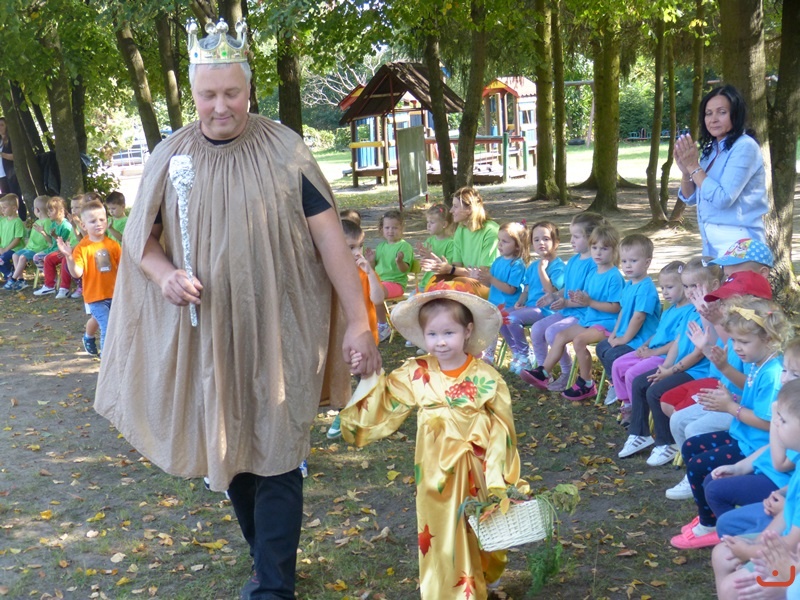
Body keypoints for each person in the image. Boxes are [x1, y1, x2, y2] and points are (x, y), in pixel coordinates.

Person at [93, 19, 380, 600]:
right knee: (233, 450)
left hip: (280, 326)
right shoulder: (170, 156)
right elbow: (140, 241)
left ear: (250, 90)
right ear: (193, 93)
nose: (220, 106)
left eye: (232, 93)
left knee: (278, 446)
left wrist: (357, 321)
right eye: (208, 95)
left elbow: (329, 239)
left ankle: (273, 585)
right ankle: (265, 560)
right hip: (209, 335)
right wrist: (166, 275)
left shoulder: (285, 151)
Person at [341, 288, 528, 600]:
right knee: (441, 531)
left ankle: (485, 571)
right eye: (432, 334)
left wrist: (500, 476)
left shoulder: (487, 377)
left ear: (467, 331)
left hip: (478, 470)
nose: (441, 341)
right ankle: (452, 591)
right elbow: (386, 400)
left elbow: (502, 428)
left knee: (481, 526)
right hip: (434, 474)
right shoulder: (417, 371)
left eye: (449, 333)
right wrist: (367, 375)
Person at [671, 297, 790, 550]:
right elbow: (748, 386)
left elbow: (768, 424)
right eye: (734, 340)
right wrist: (724, 367)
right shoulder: (759, 363)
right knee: (692, 446)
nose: (737, 347)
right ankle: (709, 513)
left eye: (744, 341)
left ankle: (711, 524)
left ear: (769, 339)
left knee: (699, 466)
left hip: (754, 445)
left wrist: (730, 408)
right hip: (743, 436)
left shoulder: (772, 373)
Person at [662, 270, 773, 501]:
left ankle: (703, 478)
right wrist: (705, 347)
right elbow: (728, 367)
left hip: (741, 412)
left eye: (728, 301)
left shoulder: (757, 346)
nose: (722, 306)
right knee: (678, 419)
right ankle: (694, 476)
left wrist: (730, 402)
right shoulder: (739, 337)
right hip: (730, 401)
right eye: (723, 301)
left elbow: (747, 389)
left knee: (693, 429)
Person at [617, 257, 721, 466]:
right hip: (682, 367)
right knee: (641, 382)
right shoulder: (691, 309)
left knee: (655, 391)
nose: (690, 291)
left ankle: (667, 443)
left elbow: (699, 353)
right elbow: (677, 343)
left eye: (695, 286)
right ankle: (640, 433)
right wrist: (664, 368)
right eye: (686, 286)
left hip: (698, 371)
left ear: (715, 285)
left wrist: (671, 371)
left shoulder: (709, 313)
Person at [711, 378, 800, 599]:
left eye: (782, 420)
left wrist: (750, 551)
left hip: (791, 558)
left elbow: (791, 545)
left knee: (734, 586)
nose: (775, 424)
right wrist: (757, 543)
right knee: (721, 553)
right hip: (785, 548)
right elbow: (788, 514)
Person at [523, 224, 624, 401]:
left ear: (615, 250)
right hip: (590, 319)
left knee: (579, 340)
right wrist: (563, 299)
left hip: (607, 322)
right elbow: (584, 297)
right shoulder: (594, 273)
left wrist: (589, 302)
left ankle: (586, 383)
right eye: (595, 248)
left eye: (604, 248)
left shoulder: (614, 276)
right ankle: (543, 372)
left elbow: (616, 307)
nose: (598, 253)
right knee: (560, 336)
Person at [674, 85, 768, 257]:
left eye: (722, 112)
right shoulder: (711, 149)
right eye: (708, 113)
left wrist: (694, 166)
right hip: (711, 246)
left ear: (736, 114)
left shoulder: (745, 146)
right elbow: (691, 198)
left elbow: (723, 199)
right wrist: (686, 172)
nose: (713, 119)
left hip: (741, 246)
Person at [607, 261, 691, 423]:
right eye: (662, 288)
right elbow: (658, 334)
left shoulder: (688, 311)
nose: (665, 292)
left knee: (632, 374)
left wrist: (653, 352)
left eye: (670, 287)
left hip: (664, 356)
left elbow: (676, 342)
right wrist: (644, 345)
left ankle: (638, 414)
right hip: (651, 351)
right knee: (617, 365)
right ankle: (628, 404)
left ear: (684, 285)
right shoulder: (670, 310)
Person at [326, 217, 386, 440]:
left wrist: (370, 273)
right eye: (351, 247)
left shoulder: (365, 272)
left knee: (366, 375)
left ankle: (358, 414)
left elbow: (378, 299)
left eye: (359, 246)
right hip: (342, 337)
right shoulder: (332, 274)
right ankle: (349, 411)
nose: (357, 252)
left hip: (365, 335)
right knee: (346, 376)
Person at [595, 234, 662, 399]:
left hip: (641, 340)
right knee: (602, 347)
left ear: (647, 262)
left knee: (612, 354)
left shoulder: (646, 288)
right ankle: (615, 383)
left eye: (633, 261)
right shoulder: (629, 285)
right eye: (624, 261)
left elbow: (639, 318)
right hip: (627, 336)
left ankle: (625, 395)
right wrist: (614, 334)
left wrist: (624, 339)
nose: (627, 266)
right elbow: (623, 312)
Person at [55, 199, 121, 353]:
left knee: (97, 320)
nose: (98, 224)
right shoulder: (82, 248)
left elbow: (123, 268)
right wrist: (69, 257)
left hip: (114, 294)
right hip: (95, 296)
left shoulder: (113, 245)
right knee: (108, 326)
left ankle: (88, 337)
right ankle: (107, 360)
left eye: (102, 220)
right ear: (83, 225)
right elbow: (76, 273)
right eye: (93, 221)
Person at [501, 221, 565, 375]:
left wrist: (542, 271)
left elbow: (551, 292)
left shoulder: (558, 267)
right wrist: (520, 301)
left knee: (512, 318)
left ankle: (525, 355)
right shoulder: (533, 266)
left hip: (547, 310)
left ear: (556, 243)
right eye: (536, 240)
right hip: (530, 307)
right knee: (500, 317)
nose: (541, 243)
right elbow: (527, 289)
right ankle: (517, 352)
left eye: (546, 239)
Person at [419, 186, 499, 298]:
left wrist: (450, 269)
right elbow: (457, 266)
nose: (451, 210)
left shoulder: (491, 231)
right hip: (466, 281)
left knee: (446, 293)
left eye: (455, 206)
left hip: (486, 285)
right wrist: (441, 267)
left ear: (469, 209)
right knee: (432, 285)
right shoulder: (461, 229)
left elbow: (482, 274)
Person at [478, 221, 528, 363]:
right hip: (494, 303)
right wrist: (481, 278)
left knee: (497, 320)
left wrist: (491, 279)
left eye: (505, 241)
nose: (500, 244)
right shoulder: (498, 261)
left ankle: (516, 353)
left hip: (509, 305)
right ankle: (489, 352)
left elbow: (511, 290)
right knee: (484, 319)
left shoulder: (517, 264)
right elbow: (491, 284)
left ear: (517, 245)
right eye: (499, 240)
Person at [367, 209, 414, 342]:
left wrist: (399, 261)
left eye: (395, 228)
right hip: (380, 283)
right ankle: (372, 322)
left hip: (396, 284)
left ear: (402, 228)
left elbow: (405, 270)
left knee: (376, 292)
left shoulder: (404, 246)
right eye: (387, 227)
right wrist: (371, 261)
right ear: (381, 229)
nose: (390, 231)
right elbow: (373, 269)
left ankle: (383, 326)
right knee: (363, 288)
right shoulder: (381, 246)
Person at [5, 195, 50, 291]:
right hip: (30, 247)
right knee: (15, 255)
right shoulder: (37, 222)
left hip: (39, 249)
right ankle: (21, 280)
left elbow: (49, 240)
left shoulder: (48, 222)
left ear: (37, 210)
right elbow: (31, 237)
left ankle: (13, 279)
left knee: (22, 257)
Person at [0, 194, 25, 283]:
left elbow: (17, 239)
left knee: (1, 259)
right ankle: (10, 272)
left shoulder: (18, 222)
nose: (2, 210)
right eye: (1, 208)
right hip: (3, 248)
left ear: (14, 208)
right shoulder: (3, 221)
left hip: (15, 249)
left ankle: (10, 275)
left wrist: (5, 249)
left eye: (4, 208)